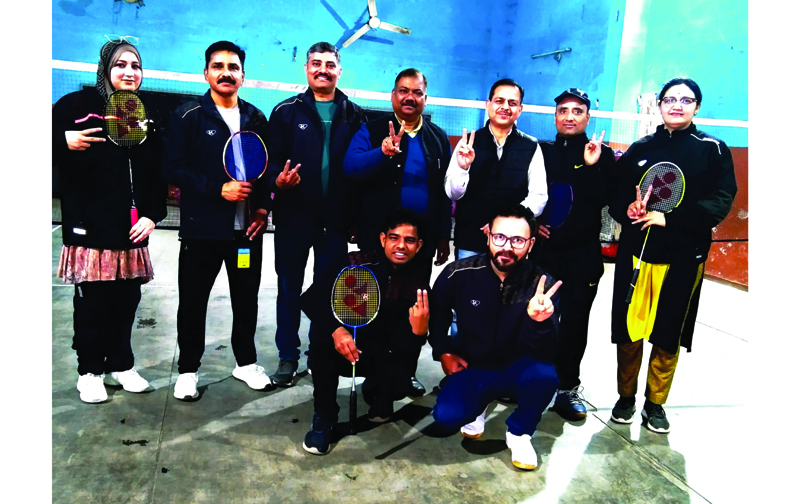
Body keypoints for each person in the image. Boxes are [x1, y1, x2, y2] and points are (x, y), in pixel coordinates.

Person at [607, 78, 736, 433]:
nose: (676, 105)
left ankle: (655, 404)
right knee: (629, 329)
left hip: (682, 258)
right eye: (669, 99)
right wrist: (627, 209)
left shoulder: (713, 149)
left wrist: (670, 217)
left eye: (686, 99)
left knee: (668, 332)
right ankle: (626, 397)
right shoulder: (640, 147)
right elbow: (617, 195)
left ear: (697, 106)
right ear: (659, 105)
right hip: (636, 255)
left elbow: (721, 199)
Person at [53, 36, 167, 403]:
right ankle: (89, 371)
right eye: (120, 64)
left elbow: (155, 175)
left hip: (131, 232)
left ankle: (121, 364)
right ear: (106, 69)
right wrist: (59, 139)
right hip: (89, 231)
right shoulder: (75, 106)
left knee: (126, 302)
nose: (129, 72)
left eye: (135, 65)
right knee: (92, 305)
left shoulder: (145, 116)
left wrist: (153, 215)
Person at [162, 41, 272, 400]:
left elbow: (264, 172)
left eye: (233, 67)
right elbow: (173, 168)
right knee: (193, 301)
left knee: (246, 300)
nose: (226, 72)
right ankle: (188, 370)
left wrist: (260, 209)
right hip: (202, 229)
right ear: (206, 73)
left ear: (243, 75)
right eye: (218, 66)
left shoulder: (256, 118)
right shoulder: (188, 114)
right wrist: (216, 190)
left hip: (246, 233)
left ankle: (245, 363)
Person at [343, 68, 452, 394]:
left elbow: (445, 192)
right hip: (377, 240)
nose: (409, 97)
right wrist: (383, 152)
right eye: (403, 91)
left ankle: (405, 371)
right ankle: (373, 368)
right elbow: (351, 167)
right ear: (393, 95)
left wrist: (443, 233)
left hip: (419, 245)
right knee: (372, 303)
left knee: (412, 308)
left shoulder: (438, 138)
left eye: (416, 92)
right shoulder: (371, 128)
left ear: (424, 98)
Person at [428, 204, 562, 471]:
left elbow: (549, 350)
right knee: (445, 418)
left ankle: (520, 432)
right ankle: (478, 405)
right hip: (473, 366)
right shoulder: (458, 273)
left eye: (518, 240)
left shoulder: (543, 284)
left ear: (531, 243)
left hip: (519, 368)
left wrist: (538, 322)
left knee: (546, 377)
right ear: (488, 236)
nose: (507, 247)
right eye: (500, 237)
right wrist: (443, 351)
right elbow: (437, 314)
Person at [265, 42, 366, 387]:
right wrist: (278, 180)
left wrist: (356, 217)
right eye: (316, 63)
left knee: (328, 293)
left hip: (336, 223)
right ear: (306, 69)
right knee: (289, 290)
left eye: (329, 64)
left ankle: (320, 352)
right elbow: (271, 160)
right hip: (294, 219)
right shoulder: (285, 112)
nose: (322, 69)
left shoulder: (356, 115)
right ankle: (287, 357)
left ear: (340, 70)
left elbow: (362, 171)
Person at [299, 208, 432, 455]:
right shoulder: (353, 263)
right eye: (394, 237)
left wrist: (419, 333)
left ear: (419, 245)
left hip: (379, 351)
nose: (401, 245)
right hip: (342, 346)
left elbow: (405, 347)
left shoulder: (419, 284)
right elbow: (311, 299)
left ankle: (377, 394)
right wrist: (337, 330)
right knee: (321, 343)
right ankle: (324, 416)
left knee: (401, 380)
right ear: (383, 239)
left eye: (409, 240)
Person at [536, 88, 617, 421]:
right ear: (555, 116)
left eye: (577, 111)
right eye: (563, 110)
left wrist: (591, 166)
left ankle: (567, 388)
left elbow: (605, 199)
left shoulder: (604, 154)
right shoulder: (540, 151)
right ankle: (533, 381)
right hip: (544, 255)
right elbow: (530, 194)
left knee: (574, 325)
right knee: (538, 320)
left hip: (583, 257)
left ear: (587, 116)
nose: (569, 116)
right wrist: (533, 221)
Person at [445, 79, 548, 258]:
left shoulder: (531, 146)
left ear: (520, 109)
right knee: (470, 286)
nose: (505, 107)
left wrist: (505, 225)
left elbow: (538, 197)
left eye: (512, 103)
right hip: (471, 241)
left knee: (510, 287)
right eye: (499, 101)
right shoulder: (468, 142)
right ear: (488, 104)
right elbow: (452, 194)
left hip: (513, 244)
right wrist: (463, 168)